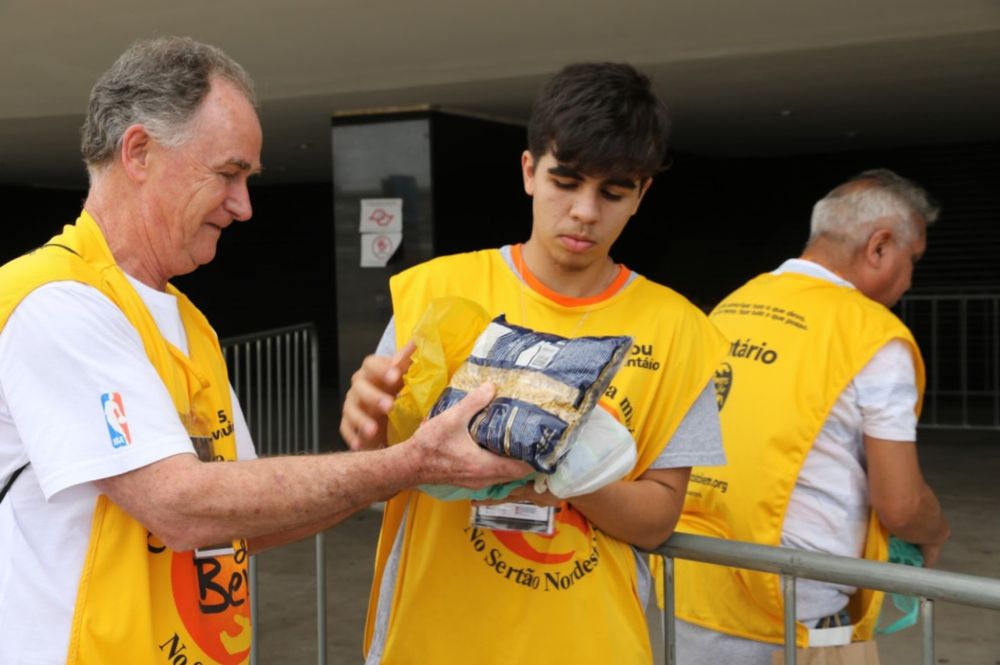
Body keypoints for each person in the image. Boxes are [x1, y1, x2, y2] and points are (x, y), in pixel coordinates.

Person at [0, 36, 529, 665]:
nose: (244, 206)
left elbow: (242, 514)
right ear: (138, 151)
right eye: (227, 174)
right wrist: (408, 465)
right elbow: (180, 506)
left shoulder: (186, 321)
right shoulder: (54, 301)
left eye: (246, 179)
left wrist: (384, 468)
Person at [340, 62, 729, 665]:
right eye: (565, 181)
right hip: (431, 640)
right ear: (529, 171)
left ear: (642, 195)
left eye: (613, 191)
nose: (583, 211)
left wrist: (561, 466)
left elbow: (657, 519)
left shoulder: (680, 331)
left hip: (591, 645)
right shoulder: (432, 294)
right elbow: (377, 468)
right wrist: (367, 432)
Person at [674, 169, 951, 664]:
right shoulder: (872, 336)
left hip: (695, 586)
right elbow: (901, 505)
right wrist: (934, 531)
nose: (911, 278)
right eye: (914, 260)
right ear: (880, 247)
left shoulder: (732, 307)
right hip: (800, 615)